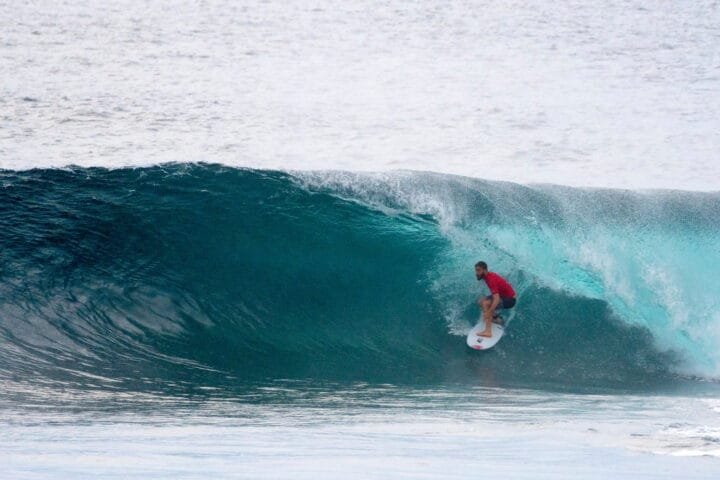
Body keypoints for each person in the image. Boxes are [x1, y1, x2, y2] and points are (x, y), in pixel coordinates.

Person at [474, 261, 516, 337]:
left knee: (485, 304)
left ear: (485, 270)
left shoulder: (490, 279)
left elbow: (496, 299)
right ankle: (496, 319)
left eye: (478, 270)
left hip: (509, 300)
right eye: (476, 270)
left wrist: (489, 312)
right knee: (480, 301)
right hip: (503, 296)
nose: (476, 273)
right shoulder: (488, 276)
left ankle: (488, 332)